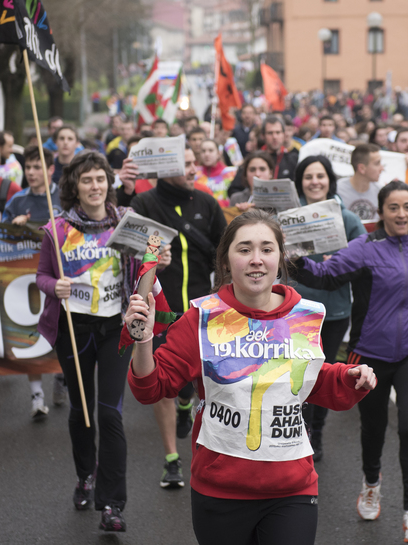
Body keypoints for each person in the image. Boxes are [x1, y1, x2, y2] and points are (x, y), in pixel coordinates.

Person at [125, 209, 376, 545]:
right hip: (221, 490)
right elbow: (151, 387)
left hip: (293, 487)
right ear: (226, 262)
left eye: (266, 249)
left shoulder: (305, 314)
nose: (256, 259)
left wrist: (350, 376)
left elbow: (310, 379)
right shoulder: (201, 319)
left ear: (280, 258)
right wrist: (142, 340)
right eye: (244, 250)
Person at [293, 182, 408, 543]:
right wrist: (295, 259)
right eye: (393, 208)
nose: (401, 214)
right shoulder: (364, 248)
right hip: (369, 354)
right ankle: (371, 483)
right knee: (374, 426)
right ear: (381, 212)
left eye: (407, 207)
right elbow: (324, 275)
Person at [35, 151, 162, 532]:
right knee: (81, 411)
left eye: (100, 179)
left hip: (115, 328)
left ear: (110, 183)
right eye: (86, 180)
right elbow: (41, 276)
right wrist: (52, 286)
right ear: (74, 186)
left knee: (109, 413)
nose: (94, 186)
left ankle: (112, 504)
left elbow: (150, 262)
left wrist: (158, 259)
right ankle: (85, 476)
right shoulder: (55, 230)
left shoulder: (127, 222)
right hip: (74, 329)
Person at [129, 147, 227, 488]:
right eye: (183, 164)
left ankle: (189, 404)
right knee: (163, 388)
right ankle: (172, 458)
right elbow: (134, 257)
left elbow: (225, 252)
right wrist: (155, 259)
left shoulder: (207, 203)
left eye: (192, 162)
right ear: (163, 167)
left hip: (200, 311)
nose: (191, 168)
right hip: (162, 313)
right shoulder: (145, 205)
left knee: (195, 384)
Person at [290, 156, 366, 462]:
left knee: (320, 375)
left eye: (320, 176)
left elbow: (365, 255)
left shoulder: (347, 218)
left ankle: (316, 431)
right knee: (296, 375)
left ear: (329, 180)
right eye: (308, 177)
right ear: (300, 182)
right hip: (294, 310)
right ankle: (298, 429)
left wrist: (338, 264)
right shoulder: (288, 215)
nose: (315, 182)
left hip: (333, 313)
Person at [1, 147, 65, 416]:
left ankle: (62, 376)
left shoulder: (64, 196)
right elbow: (0, 237)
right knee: (30, 330)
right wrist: (14, 226)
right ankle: (36, 396)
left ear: (50, 169)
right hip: (27, 277)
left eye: (37, 167)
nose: (32, 173)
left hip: (60, 276)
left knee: (62, 331)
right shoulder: (17, 201)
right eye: (28, 168)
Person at [336, 143, 383, 224]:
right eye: (377, 163)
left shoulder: (380, 191)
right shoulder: (337, 190)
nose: (382, 168)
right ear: (361, 168)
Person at [196, 139, 237, 208]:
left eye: (211, 150)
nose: (206, 154)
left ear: (218, 153)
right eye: (203, 151)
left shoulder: (231, 173)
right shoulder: (194, 173)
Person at [262, 115, 298, 180]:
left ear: (283, 134)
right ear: (263, 136)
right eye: (270, 133)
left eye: (278, 132)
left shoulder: (293, 160)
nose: (274, 137)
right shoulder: (256, 160)